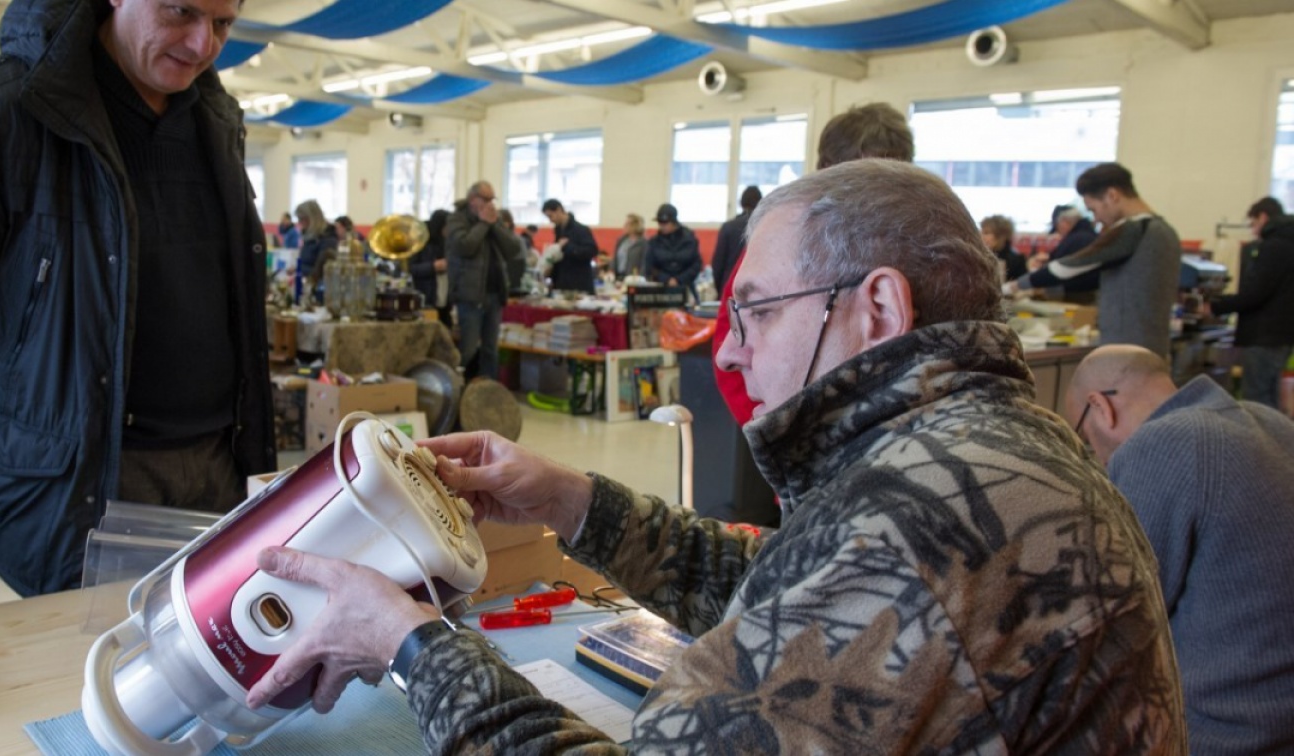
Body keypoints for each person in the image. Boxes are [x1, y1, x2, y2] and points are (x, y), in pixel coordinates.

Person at [244, 160, 1183, 753]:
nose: (727, 353)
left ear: (878, 308)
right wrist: (570, 501)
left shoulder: (923, 522)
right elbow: (794, 593)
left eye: (758, 312)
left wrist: (411, 646)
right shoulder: (995, 451)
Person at [0, 0, 274, 597]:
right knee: (86, 653)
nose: (201, 45)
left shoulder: (216, 120)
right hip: (88, 474)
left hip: (219, 462)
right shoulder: (1, 111)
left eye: (222, 24)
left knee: (212, 649)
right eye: (180, 12)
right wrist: (24, 404)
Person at [1066, 344, 1294, 754]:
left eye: (1084, 438)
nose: (1096, 458)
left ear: (1100, 407)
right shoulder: (1271, 422)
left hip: (1228, 735)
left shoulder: (1163, 443)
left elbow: (1113, 617)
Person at [714, 101, 916, 429]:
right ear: (826, 169)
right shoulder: (785, 236)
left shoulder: (918, 239)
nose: (872, 191)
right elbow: (734, 331)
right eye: (859, 175)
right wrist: (775, 424)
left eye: (888, 175)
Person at [1009, 163, 1182, 359]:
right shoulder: (1166, 231)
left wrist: (1014, 286)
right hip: (1154, 347)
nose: (1096, 218)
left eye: (1094, 209)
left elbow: (1071, 267)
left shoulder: (1135, 229)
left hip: (1125, 351)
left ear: (1112, 195)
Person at [1207, 197, 1294, 409]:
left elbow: (1256, 293)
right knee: (1270, 399)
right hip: (1282, 335)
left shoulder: (1274, 247)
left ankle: (1259, 433)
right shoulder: (1289, 243)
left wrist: (1215, 306)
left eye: (1253, 224)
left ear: (1263, 217)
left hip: (1263, 336)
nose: (1253, 231)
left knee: (1256, 402)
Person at [446, 181, 522, 381]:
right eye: (486, 199)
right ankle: (457, 387)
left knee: (491, 350)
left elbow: (513, 249)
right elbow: (465, 247)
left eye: (492, 199)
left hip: (495, 294)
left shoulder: (494, 219)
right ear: (473, 199)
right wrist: (483, 224)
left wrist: (494, 225)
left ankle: (489, 391)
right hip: (470, 295)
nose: (490, 204)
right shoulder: (456, 219)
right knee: (468, 349)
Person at [1033, 205, 1100, 305]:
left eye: (1058, 227)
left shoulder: (1077, 239)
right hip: (1088, 293)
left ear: (1064, 222)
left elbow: (1061, 267)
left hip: (1077, 296)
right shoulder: (1088, 235)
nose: (1059, 233)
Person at [710, 186, 762, 294]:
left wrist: (720, 290)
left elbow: (718, 264)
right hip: (756, 286)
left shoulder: (728, 227)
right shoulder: (764, 227)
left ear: (741, 203)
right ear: (760, 203)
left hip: (730, 284)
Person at [644, 202, 701, 300]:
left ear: (674, 222)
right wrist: (666, 279)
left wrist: (679, 279)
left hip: (686, 288)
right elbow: (649, 266)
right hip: (661, 291)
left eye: (665, 223)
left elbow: (696, 264)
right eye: (660, 223)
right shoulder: (654, 242)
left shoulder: (689, 240)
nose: (662, 226)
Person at [539, 199, 597, 294]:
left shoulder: (581, 230)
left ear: (559, 210)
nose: (550, 220)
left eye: (550, 216)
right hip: (562, 284)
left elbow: (592, 251)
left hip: (579, 285)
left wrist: (568, 247)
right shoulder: (559, 231)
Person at [408, 208, 450, 328]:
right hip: (427, 299)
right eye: (446, 226)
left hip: (445, 300)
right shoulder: (420, 243)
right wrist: (433, 267)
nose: (449, 230)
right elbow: (411, 269)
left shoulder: (448, 242)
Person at [295, 199, 339, 300]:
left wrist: (302, 273)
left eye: (301, 219)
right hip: (308, 287)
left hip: (319, 292)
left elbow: (321, 271)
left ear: (312, 218)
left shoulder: (328, 239)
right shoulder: (310, 237)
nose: (299, 223)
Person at [978, 214, 1027, 282]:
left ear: (1001, 236)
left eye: (986, 233)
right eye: (981, 232)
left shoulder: (1017, 260)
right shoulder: (979, 256)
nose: (981, 236)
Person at [497, 208, 530, 294]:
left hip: (512, 283)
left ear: (508, 223)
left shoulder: (517, 240)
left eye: (500, 222)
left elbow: (520, 266)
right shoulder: (493, 239)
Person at [612, 213, 647, 280]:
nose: (624, 226)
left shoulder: (644, 243)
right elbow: (615, 258)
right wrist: (611, 270)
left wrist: (640, 277)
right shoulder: (621, 241)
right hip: (618, 277)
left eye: (627, 224)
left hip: (633, 278)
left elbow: (644, 263)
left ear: (635, 226)